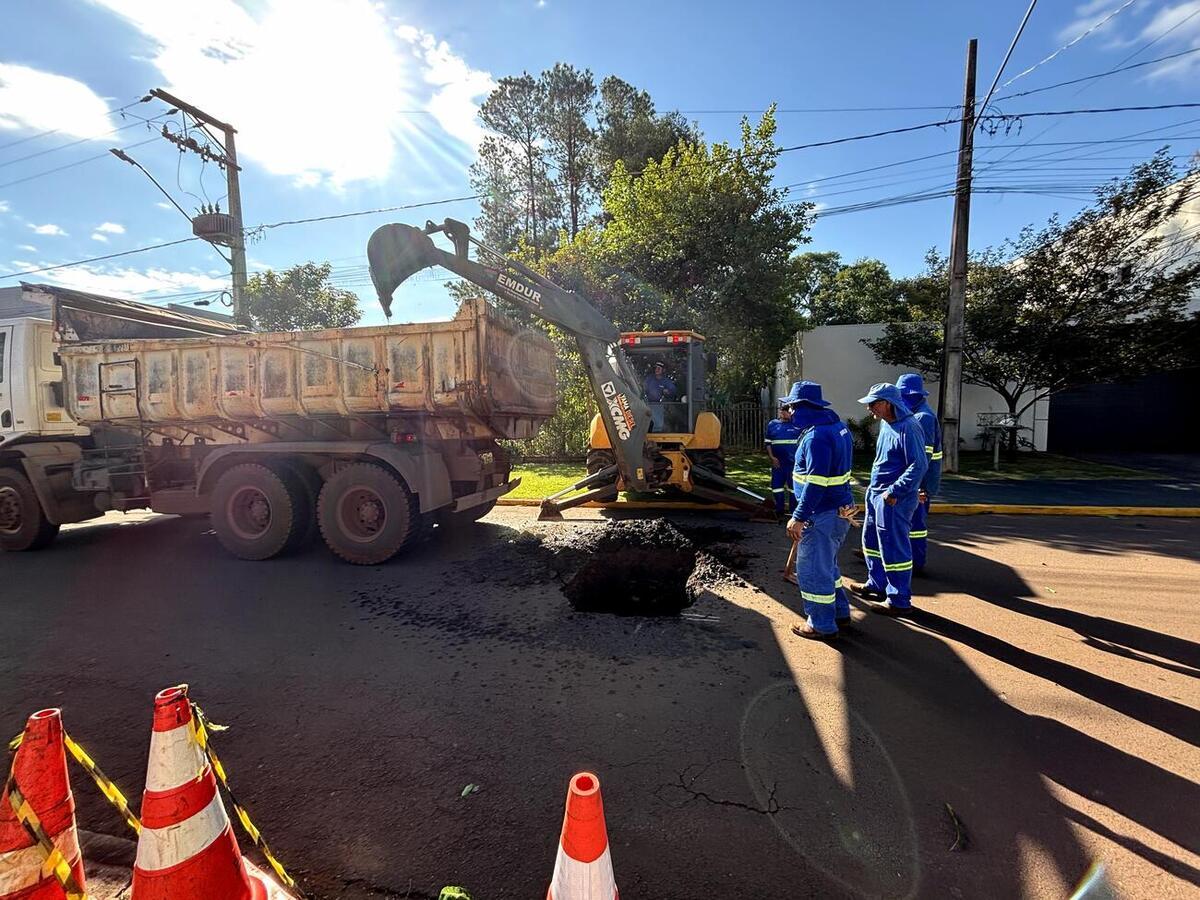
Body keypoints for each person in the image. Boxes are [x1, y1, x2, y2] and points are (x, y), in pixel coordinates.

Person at [781, 381, 856, 641]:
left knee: (812, 569)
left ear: (803, 408)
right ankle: (839, 613)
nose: (789, 412)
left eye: (791, 407)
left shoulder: (816, 437)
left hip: (820, 514)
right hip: (840, 511)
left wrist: (798, 517)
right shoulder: (837, 428)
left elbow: (816, 484)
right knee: (828, 566)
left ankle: (821, 624)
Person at [846, 383, 927, 615]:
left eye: (874, 403)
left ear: (888, 403)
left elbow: (918, 464)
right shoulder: (886, 424)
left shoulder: (909, 427)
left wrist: (895, 491)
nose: (870, 409)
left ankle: (899, 599)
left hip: (893, 497)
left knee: (893, 547)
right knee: (871, 541)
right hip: (877, 493)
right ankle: (876, 584)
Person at [896, 373, 942, 574]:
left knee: (915, 525)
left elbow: (923, 458)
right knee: (909, 523)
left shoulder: (922, 418)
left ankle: (916, 562)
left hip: (919, 484)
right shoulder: (916, 414)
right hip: (918, 482)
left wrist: (917, 487)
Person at [764, 397, 802, 514]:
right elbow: (768, 443)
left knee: (793, 488)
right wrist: (772, 457)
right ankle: (779, 509)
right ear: (782, 412)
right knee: (776, 487)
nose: (789, 414)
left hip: (793, 464)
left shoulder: (797, 425)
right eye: (787, 412)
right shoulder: (773, 424)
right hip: (778, 463)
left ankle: (793, 511)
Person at [643, 361, 677, 432]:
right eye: (656, 368)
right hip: (647, 405)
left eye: (659, 368)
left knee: (657, 424)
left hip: (659, 406)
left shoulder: (666, 381)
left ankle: (656, 431)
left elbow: (673, 390)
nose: (657, 370)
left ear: (663, 370)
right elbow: (643, 389)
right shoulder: (650, 379)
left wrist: (668, 391)